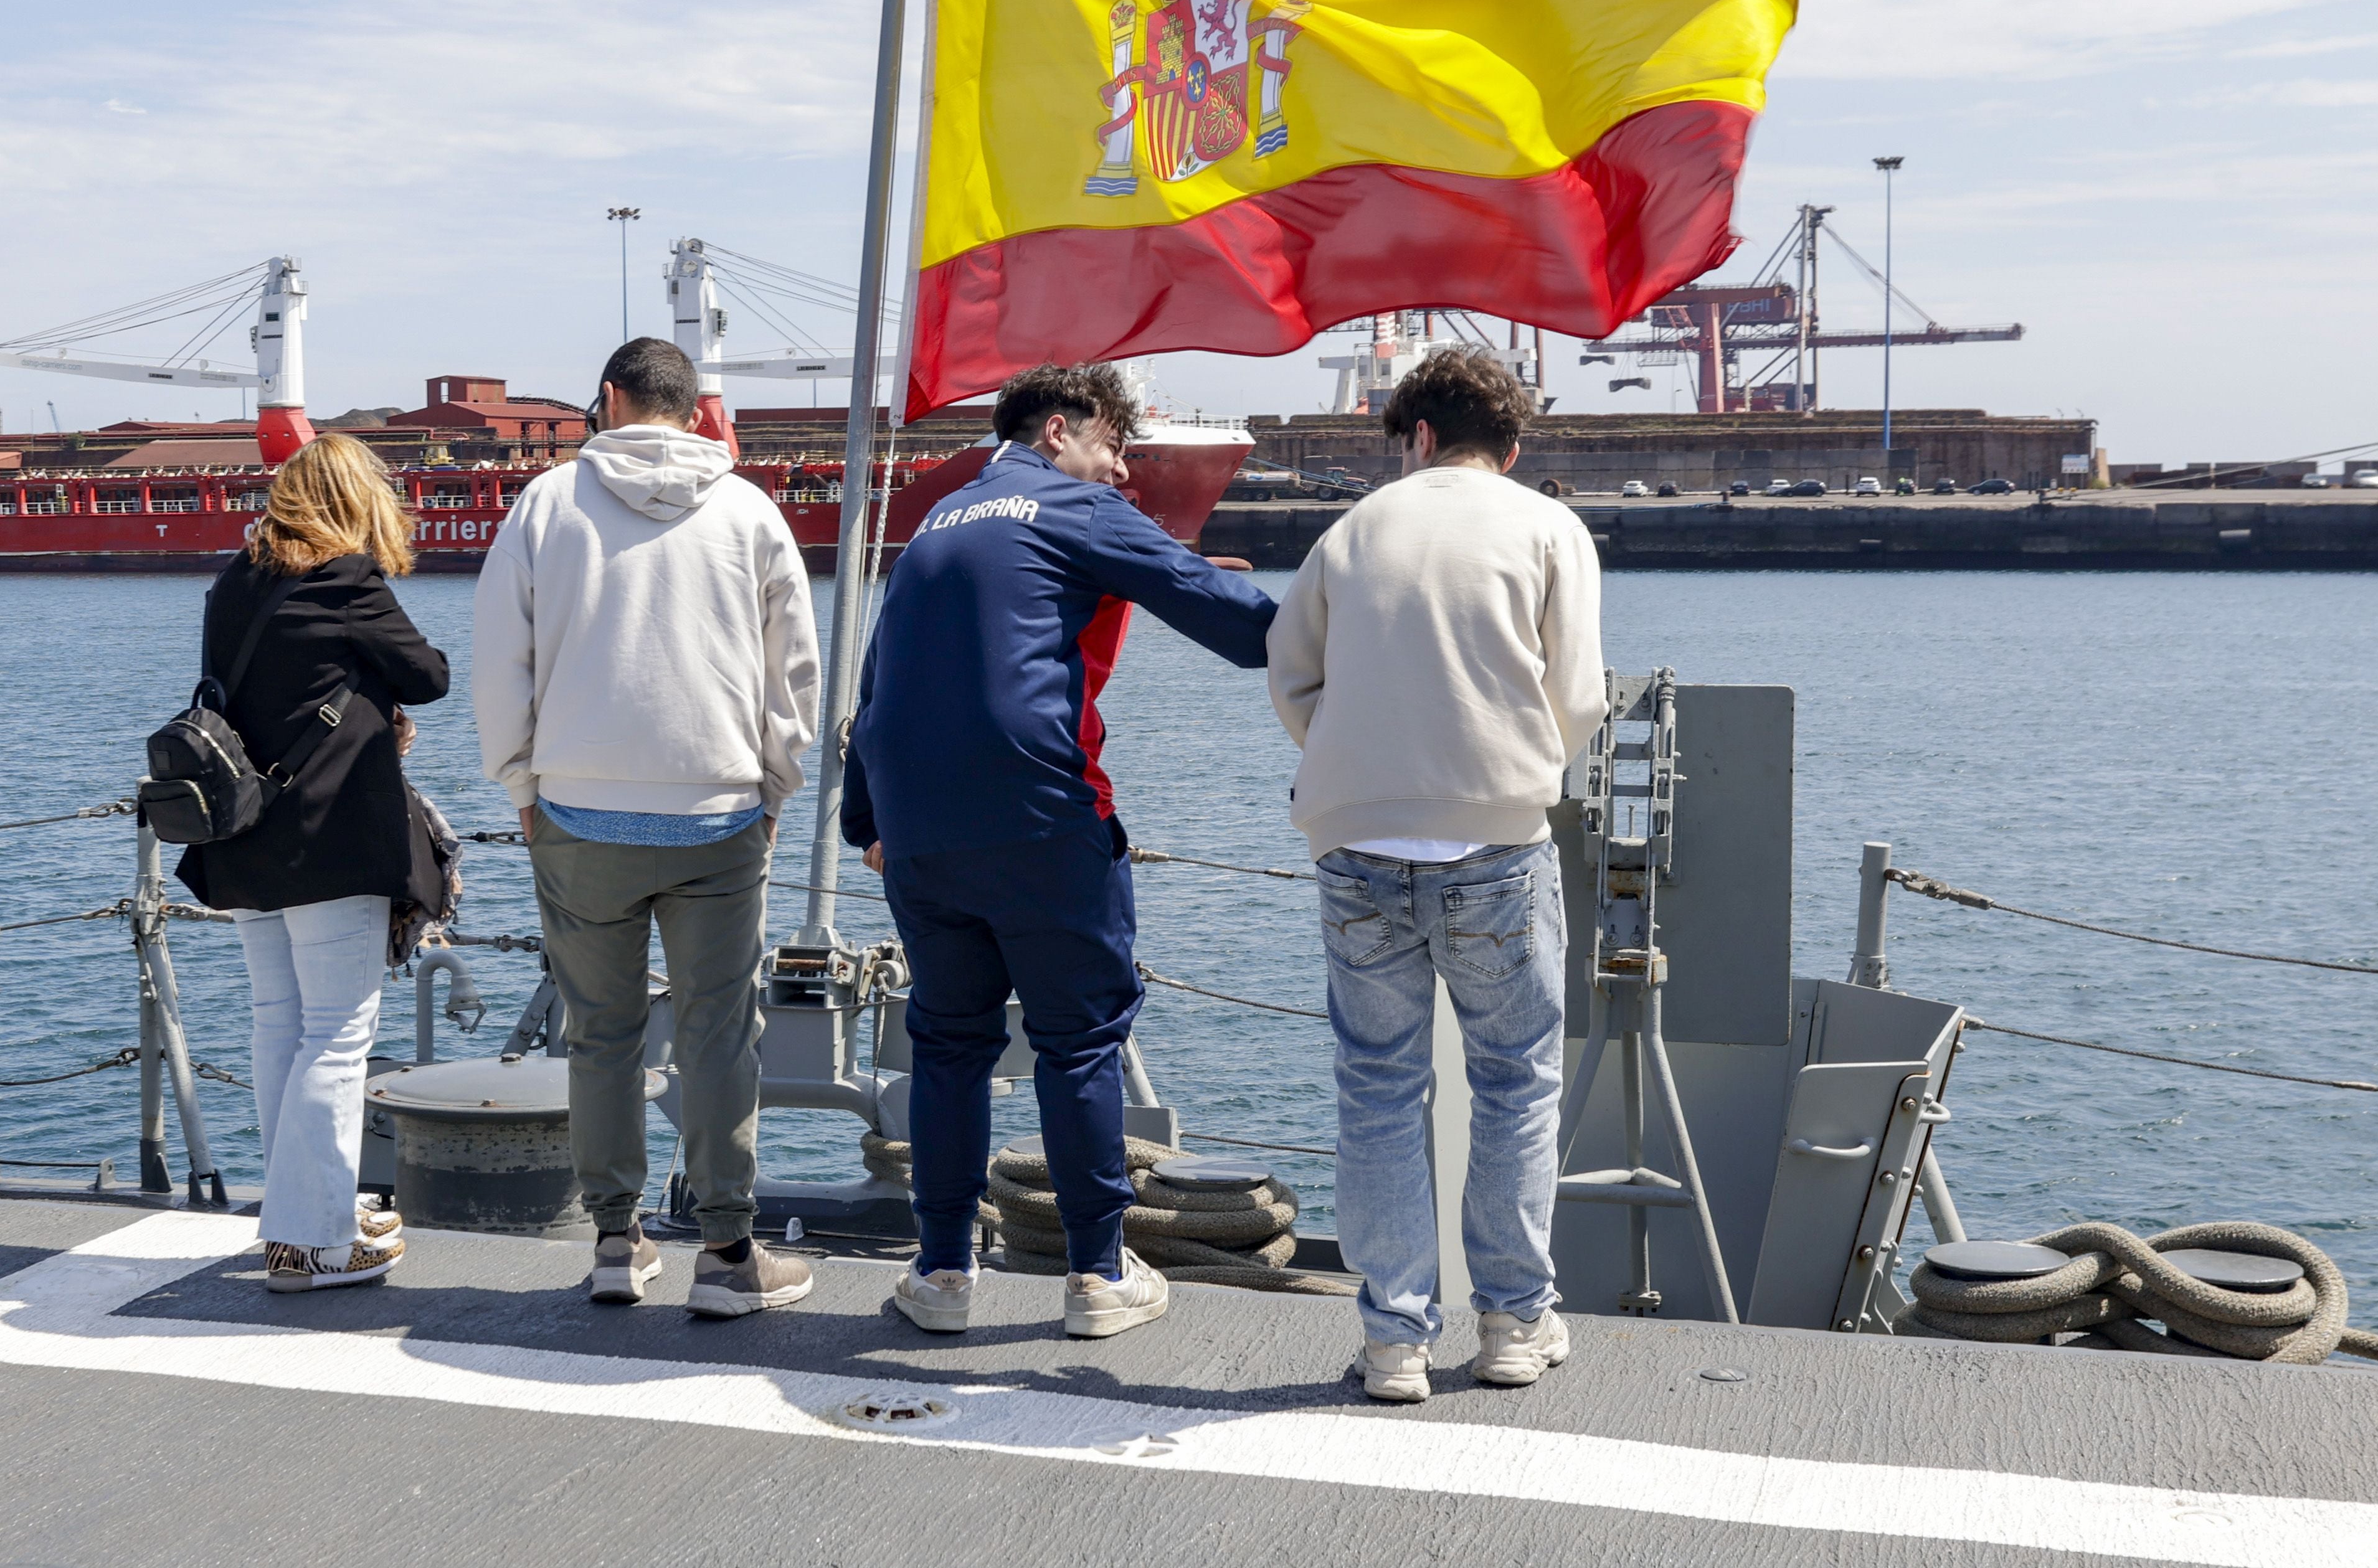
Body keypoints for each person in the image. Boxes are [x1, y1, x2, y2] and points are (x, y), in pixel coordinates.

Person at [843, 362, 1275, 1339]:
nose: (1121, 472)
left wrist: (867, 826)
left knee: (948, 1045)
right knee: (1079, 1043)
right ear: (1059, 430)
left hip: (918, 837)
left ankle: (942, 1274)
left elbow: (877, 691)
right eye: (1114, 447)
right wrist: (1342, 636)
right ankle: (1095, 1275)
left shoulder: (933, 527)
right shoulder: (1074, 507)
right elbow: (1233, 621)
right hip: (1042, 821)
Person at [1266, 347, 1604, 1402]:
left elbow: (1290, 673)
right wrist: (1513, 772)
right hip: (1496, 839)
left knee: (1378, 1085)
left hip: (1356, 838)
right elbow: (1579, 696)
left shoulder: (1351, 532)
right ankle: (1512, 1324)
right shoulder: (1549, 528)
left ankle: (1394, 1340)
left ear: (1415, 436)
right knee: (1515, 1080)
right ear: (1512, 446)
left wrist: (1360, 763)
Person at [473, 336, 823, 1317]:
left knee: (602, 1036)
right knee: (719, 1037)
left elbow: (500, 660)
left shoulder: (546, 505)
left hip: (578, 813)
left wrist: (521, 785)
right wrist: (774, 790)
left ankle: (614, 1243)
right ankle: (727, 1253)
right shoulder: (750, 512)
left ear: (611, 399)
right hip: (718, 813)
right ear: (696, 410)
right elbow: (795, 672)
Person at [182, 433, 452, 1295]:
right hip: (331, 837)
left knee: (281, 1024)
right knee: (337, 1032)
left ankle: (300, 1214)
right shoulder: (347, 581)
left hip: (244, 834)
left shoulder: (235, 580)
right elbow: (429, 675)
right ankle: (313, 1243)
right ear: (356, 502)